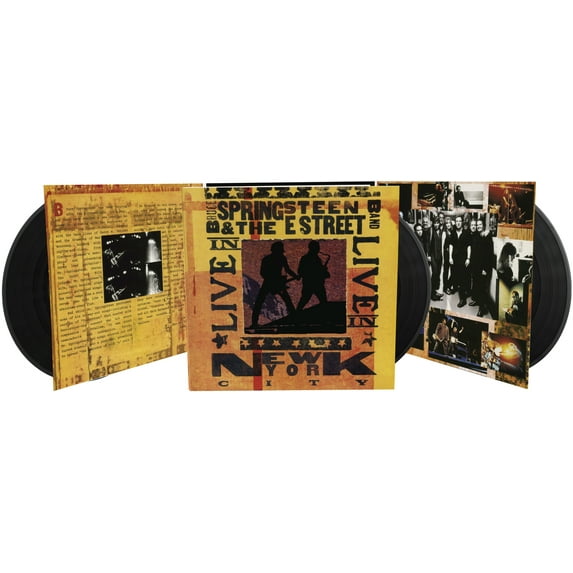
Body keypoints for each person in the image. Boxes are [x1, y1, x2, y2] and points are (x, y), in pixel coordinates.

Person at [250, 242, 298, 328]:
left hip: (272, 283)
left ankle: (254, 323)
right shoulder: (277, 258)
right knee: (286, 301)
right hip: (271, 283)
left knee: (260, 302)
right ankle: (295, 319)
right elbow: (263, 272)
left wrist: (295, 276)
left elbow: (287, 270)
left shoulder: (273, 258)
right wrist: (295, 276)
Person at [296, 240, 329, 311]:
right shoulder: (311, 259)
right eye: (317, 248)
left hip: (311, 283)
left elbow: (300, 271)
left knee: (304, 300)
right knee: (305, 300)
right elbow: (300, 271)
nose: (318, 249)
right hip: (315, 283)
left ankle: (296, 314)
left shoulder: (306, 258)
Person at [447, 215, 472, 308]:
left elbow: (469, 246)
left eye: (459, 221)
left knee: (463, 279)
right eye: (456, 221)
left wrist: (468, 258)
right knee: (455, 276)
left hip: (463, 259)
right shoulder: (453, 233)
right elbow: (451, 245)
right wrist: (450, 257)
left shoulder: (466, 233)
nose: (458, 223)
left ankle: (463, 299)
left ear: (462, 223)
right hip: (455, 259)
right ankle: (455, 289)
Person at [428, 218, 444, 300]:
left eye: (437, 223)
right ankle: (431, 294)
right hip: (433, 255)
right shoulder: (431, 231)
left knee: (438, 274)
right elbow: (428, 243)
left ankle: (434, 292)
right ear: (433, 224)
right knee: (434, 273)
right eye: (435, 223)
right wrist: (429, 255)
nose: (436, 224)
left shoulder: (441, 231)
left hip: (440, 256)